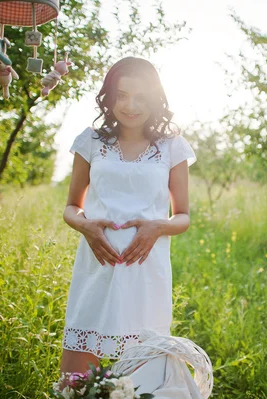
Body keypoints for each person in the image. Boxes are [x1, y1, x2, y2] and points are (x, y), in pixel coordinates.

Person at [59, 57, 197, 381]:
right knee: (77, 381)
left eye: (140, 97)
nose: (130, 105)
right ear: (109, 97)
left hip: (145, 270)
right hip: (97, 266)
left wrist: (157, 227)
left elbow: (183, 216)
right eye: (121, 95)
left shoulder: (171, 145)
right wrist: (86, 226)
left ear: (154, 99)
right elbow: (71, 206)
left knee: (139, 379)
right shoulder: (90, 141)